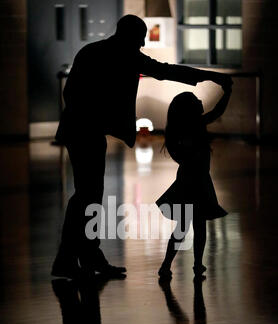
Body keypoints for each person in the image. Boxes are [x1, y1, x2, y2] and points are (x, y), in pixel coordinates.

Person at [52, 14, 232, 279]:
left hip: (80, 131)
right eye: (140, 38)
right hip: (87, 133)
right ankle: (72, 260)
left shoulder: (92, 52)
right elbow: (167, 70)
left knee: (87, 196)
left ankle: (85, 257)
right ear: (131, 36)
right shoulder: (126, 55)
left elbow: (71, 94)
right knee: (86, 197)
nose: (142, 43)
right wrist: (211, 77)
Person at [156, 83, 232, 279]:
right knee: (199, 226)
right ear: (189, 110)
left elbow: (180, 156)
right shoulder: (197, 126)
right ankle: (196, 265)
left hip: (187, 181)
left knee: (183, 226)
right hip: (197, 182)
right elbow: (217, 112)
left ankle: (167, 265)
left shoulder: (181, 130)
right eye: (195, 100)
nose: (200, 101)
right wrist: (227, 92)